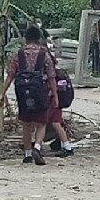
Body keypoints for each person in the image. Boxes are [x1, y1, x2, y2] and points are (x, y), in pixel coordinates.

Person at [1, 26, 58, 166]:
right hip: (40, 91)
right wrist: (55, 95)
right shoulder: (44, 54)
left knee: (26, 123)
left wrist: (2, 93)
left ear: (25, 39)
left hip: (22, 92)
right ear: (39, 39)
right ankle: (37, 147)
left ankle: (27, 154)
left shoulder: (18, 54)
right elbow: (51, 76)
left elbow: (10, 75)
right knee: (41, 123)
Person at [41, 29, 74, 158]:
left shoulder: (43, 54)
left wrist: (52, 93)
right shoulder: (47, 52)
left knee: (54, 121)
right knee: (52, 121)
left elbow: (50, 75)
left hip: (51, 93)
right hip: (53, 92)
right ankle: (60, 143)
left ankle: (67, 146)